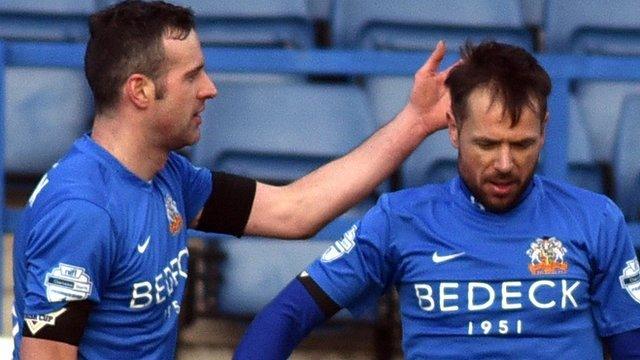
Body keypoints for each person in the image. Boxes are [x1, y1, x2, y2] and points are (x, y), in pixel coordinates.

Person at [11, 1, 455, 359]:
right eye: (192, 76)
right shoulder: (83, 210)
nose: (210, 88)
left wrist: (415, 122)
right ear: (140, 91)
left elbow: (292, 211)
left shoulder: (168, 176)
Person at [234, 41, 640, 359]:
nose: (504, 163)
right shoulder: (401, 219)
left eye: (522, 145)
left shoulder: (595, 219)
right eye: (486, 143)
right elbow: (287, 315)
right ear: (453, 127)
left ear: (545, 131)